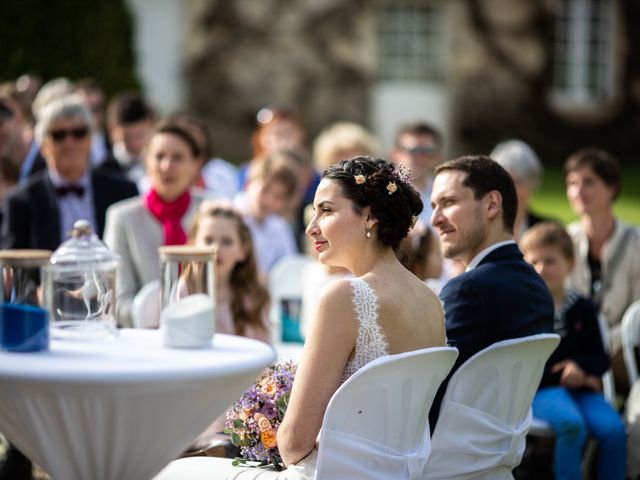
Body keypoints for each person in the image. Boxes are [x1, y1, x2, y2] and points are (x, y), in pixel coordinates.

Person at [271, 156, 444, 475]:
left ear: (370, 217)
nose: (311, 228)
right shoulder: (432, 301)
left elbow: (294, 444)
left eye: (326, 210)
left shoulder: (342, 298)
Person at [429, 155, 554, 427]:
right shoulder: (538, 287)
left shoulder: (468, 290)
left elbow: (430, 392)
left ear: (492, 204)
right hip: (497, 454)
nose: (436, 219)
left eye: (448, 202)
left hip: (444, 459)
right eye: (434, 206)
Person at [521, 222, 626, 480]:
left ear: (570, 263)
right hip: (539, 391)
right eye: (534, 261)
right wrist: (562, 376)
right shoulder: (524, 309)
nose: (541, 269)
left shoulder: (583, 308)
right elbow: (522, 363)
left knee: (614, 430)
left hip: (581, 389)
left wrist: (580, 368)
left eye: (550, 261)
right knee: (572, 425)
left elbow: (600, 358)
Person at [0, 95, 138, 251]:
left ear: (91, 140)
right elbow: (15, 265)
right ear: (43, 145)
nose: (69, 142)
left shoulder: (123, 192)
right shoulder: (22, 202)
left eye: (78, 133)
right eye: (59, 135)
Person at [103, 120, 206, 328]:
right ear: (146, 162)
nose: (167, 166)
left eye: (178, 157)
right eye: (159, 156)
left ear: (196, 165)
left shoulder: (210, 210)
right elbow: (118, 297)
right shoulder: (122, 216)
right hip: (144, 338)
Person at [564, 147, 640, 391]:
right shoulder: (565, 241)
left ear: (612, 188)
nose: (578, 191)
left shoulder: (635, 244)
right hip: (572, 351)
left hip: (625, 352)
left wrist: (601, 345)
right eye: (572, 183)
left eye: (588, 182)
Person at [187, 201, 270, 343]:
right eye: (208, 240)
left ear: (243, 251)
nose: (216, 248)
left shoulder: (253, 296)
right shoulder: (185, 290)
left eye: (226, 241)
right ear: (193, 245)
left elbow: (263, 349)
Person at [234, 152, 299, 275]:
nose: (269, 201)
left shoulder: (279, 226)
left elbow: (289, 268)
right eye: (265, 190)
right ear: (248, 184)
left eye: (279, 197)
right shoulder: (229, 217)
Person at [490, 139, 552, 239]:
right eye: (504, 182)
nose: (510, 189)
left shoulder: (548, 231)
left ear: (532, 185)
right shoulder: (481, 229)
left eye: (518, 182)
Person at [96, 90, 155, 186]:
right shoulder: (103, 171)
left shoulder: (161, 164)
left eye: (141, 135)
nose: (136, 144)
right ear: (112, 130)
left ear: (151, 126)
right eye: (128, 138)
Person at [391, 121, 443, 228]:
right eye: (414, 150)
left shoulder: (444, 191)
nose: (421, 157)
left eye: (428, 150)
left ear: (438, 156)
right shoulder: (379, 190)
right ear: (396, 153)